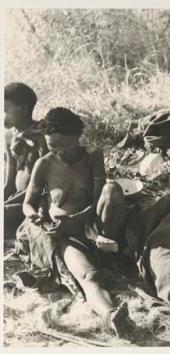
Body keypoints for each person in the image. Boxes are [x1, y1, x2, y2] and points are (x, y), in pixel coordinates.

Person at [20, 107, 135, 338]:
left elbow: (96, 200)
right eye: (53, 146)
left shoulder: (93, 156)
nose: (60, 151)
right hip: (65, 234)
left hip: (94, 224)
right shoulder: (44, 164)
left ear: (77, 138)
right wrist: (37, 218)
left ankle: (111, 252)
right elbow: (27, 204)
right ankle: (111, 316)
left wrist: (77, 220)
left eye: (66, 145)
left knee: (112, 189)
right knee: (89, 275)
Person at [4, 82, 47, 237]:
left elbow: (42, 186)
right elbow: (9, 183)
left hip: (33, 202)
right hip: (15, 198)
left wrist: (6, 206)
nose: (3, 115)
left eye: (6, 110)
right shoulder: (9, 137)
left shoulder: (41, 137)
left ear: (23, 109)